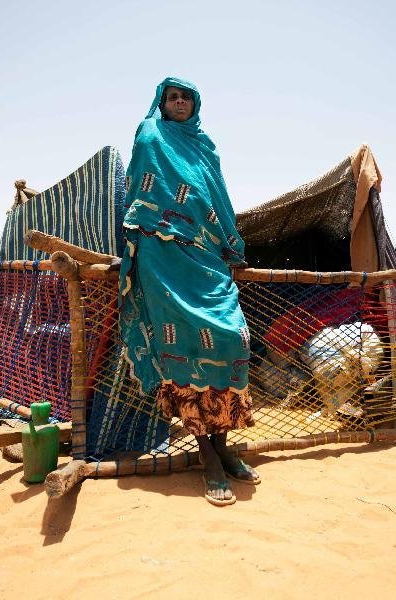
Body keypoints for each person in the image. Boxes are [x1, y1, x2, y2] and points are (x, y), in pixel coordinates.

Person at [119, 77, 259, 506]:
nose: (178, 103)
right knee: (184, 351)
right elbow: (144, 185)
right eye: (171, 97)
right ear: (161, 104)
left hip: (206, 257)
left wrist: (225, 240)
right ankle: (211, 460)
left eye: (185, 97)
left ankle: (223, 447)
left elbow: (216, 193)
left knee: (233, 340)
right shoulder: (151, 132)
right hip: (163, 256)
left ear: (196, 104)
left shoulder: (206, 145)